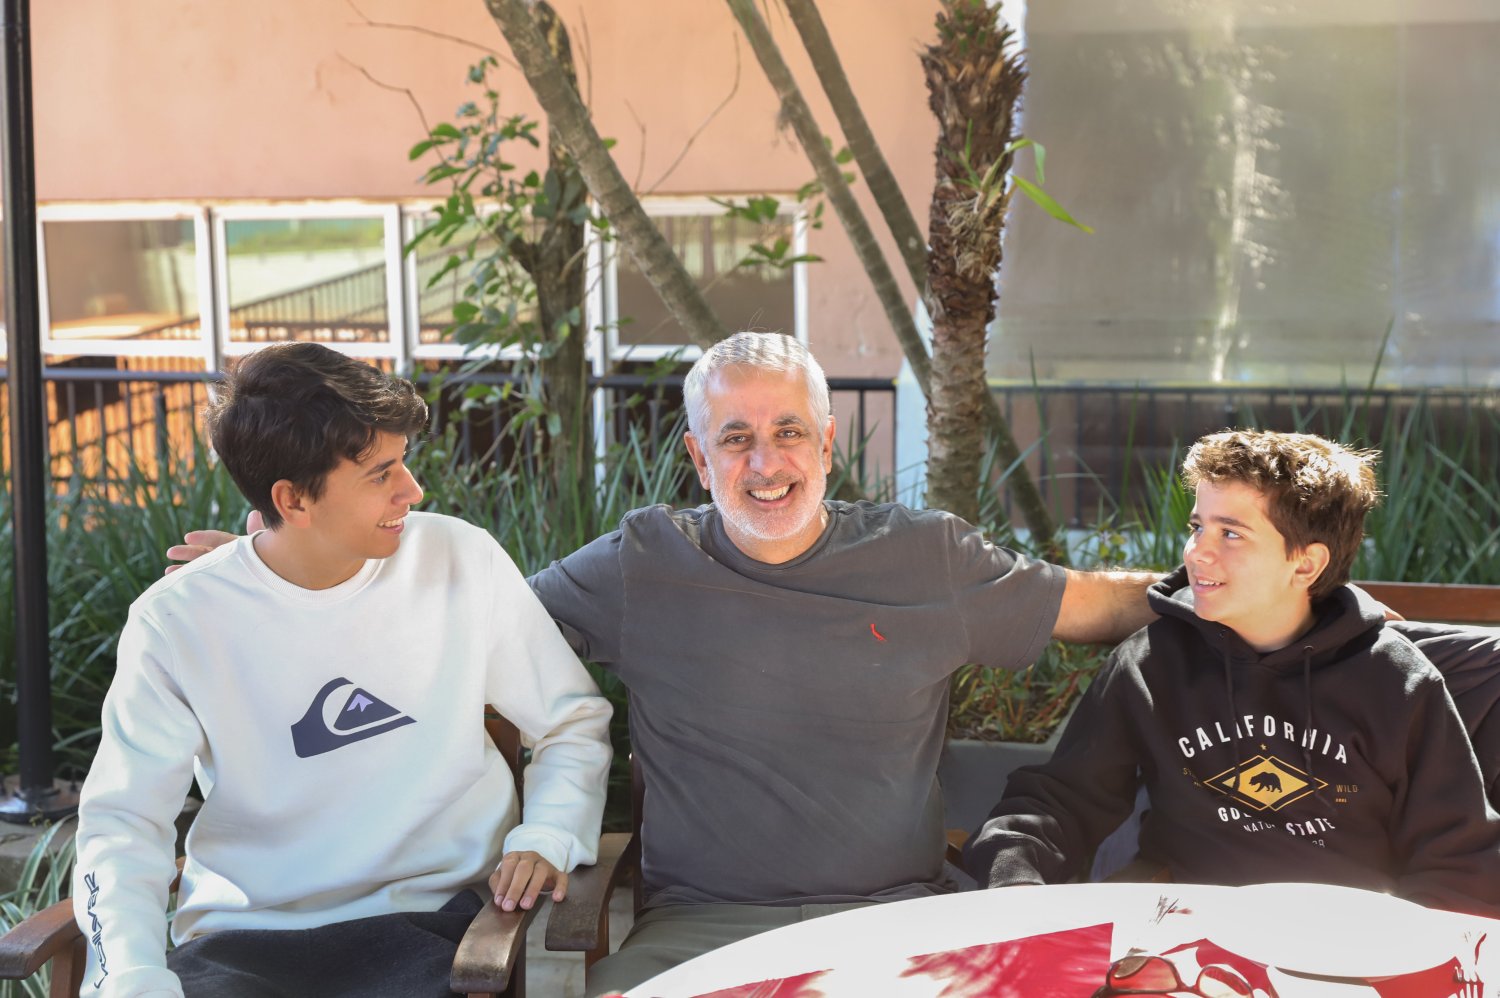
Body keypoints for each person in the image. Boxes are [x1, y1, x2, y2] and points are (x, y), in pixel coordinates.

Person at [170, 331, 1162, 993]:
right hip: (698, 929)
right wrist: (290, 563)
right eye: (736, 439)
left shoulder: (924, 558)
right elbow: (456, 624)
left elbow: (1092, 604)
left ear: (826, 442)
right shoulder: (643, 564)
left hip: (896, 919)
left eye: (788, 433)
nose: (765, 463)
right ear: (698, 457)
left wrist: (1220, 582)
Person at [80, 342, 612, 998]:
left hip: (431, 926)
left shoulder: (458, 560)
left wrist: (550, 832)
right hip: (240, 940)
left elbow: (570, 721)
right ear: (294, 500)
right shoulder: (178, 621)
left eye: (403, 461)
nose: (412, 490)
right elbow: (123, 825)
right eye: (380, 473)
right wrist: (130, 976)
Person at [963, 429, 1500, 916]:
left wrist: (1406, 959)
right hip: (1185, 934)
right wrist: (1013, 883)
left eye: (1231, 534)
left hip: (1348, 941)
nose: (1197, 552)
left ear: (1306, 564)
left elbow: (1458, 860)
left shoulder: (1397, 681)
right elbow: (1060, 803)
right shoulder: (1151, 663)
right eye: (1197, 526)